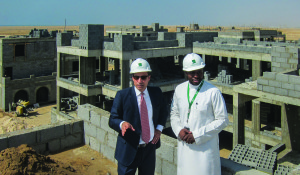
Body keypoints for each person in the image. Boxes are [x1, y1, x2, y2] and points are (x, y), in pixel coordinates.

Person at [170, 53, 229, 175]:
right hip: (184, 149)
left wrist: (197, 135)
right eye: (192, 72)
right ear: (186, 72)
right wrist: (179, 130)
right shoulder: (179, 89)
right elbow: (174, 113)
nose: (196, 75)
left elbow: (223, 120)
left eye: (199, 72)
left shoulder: (213, 92)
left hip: (205, 152)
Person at [109, 58, 168, 175]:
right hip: (129, 149)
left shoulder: (156, 93)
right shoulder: (122, 96)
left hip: (149, 149)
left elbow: (163, 112)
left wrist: (159, 129)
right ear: (132, 78)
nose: (140, 81)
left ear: (149, 78)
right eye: (136, 77)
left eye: (143, 77)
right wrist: (122, 124)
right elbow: (112, 119)